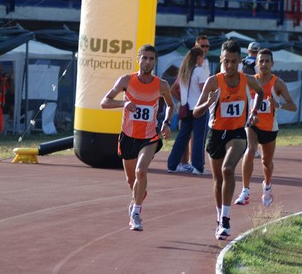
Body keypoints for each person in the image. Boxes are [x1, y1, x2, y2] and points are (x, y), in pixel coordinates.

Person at [193, 40, 264, 240]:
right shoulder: (213, 82)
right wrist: (208, 101)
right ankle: (219, 217)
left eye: (234, 61)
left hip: (237, 132)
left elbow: (260, 91)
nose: (230, 66)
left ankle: (225, 219)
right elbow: (197, 112)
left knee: (227, 169)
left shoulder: (247, 79)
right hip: (216, 132)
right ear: (221, 60)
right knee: (218, 179)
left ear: (239, 61)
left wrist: (254, 110)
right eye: (226, 61)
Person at [100, 44, 175, 232]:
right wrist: (123, 103)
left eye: (151, 59)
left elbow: (171, 106)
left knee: (142, 171)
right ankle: (138, 195)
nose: (148, 62)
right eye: (145, 58)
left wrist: (166, 123)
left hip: (149, 137)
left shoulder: (162, 84)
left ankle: (136, 213)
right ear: (138, 59)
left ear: (155, 61)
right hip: (128, 136)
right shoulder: (126, 80)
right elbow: (104, 102)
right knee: (131, 180)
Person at [235, 48, 297, 207]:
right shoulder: (250, 81)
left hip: (269, 128)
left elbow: (293, 106)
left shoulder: (278, 83)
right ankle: (245, 191)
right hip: (252, 124)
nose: (263, 64)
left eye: (267, 61)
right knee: (250, 149)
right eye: (261, 61)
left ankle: (267, 186)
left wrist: (279, 105)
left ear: (272, 63)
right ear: (256, 63)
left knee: (266, 162)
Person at [167, 46, 208, 174]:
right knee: (199, 138)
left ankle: (172, 165)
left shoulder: (184, 72)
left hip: (185, 109)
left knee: (182, 137)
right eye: (202, 57)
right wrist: (208, 102)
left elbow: (173, 89)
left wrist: (182, 100)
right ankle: (198, 167)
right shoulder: (200, 71)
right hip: (199, 108)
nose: (203, 59)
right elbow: (203, 90)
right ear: (198, 57)